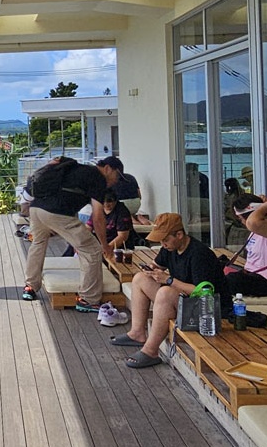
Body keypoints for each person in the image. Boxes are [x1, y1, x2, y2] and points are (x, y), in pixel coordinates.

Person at [110, 213, 229, 369]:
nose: (163, 243)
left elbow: (203, 291)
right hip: (186, 301)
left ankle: (150, 351)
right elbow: (156, 265)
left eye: (165, 239)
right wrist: (150, 271)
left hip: (209, 310)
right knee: (140, 278)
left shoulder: (199, 254)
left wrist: (168, 280)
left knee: (165, 293)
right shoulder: (170, 248)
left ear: (179, 235)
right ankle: (137, 333)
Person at [21, 156, 116, 312]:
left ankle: (30, 286)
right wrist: (105, 245)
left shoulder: (76, 168)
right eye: (117, 175)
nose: (116, 181)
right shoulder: (98, 179)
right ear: (108, 169)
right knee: (92, 250)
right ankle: (89, 299)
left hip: (36, 208)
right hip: (56, 212)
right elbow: (98, 216)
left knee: (38, 243)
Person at [61, 190, 137, 256]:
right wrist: (79, 241)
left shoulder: (122, 211)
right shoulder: (99, 209)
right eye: (104, 202)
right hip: (102, 239)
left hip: (117, 244)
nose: (106, 204)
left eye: (109, 202)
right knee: (74, 245)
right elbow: (88, 227)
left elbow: (122, 237)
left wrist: (107, 248)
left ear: (115, 201)